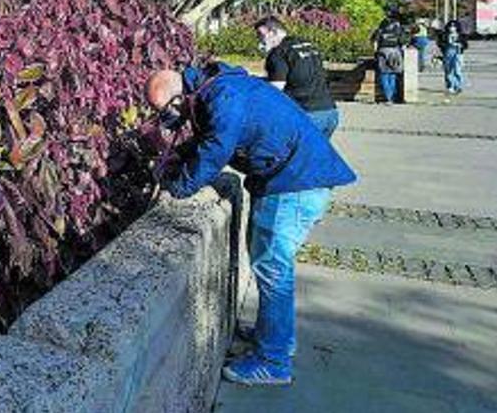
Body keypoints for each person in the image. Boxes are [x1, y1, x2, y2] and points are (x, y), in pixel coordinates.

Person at [145, 62, 357, 386]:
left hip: (295, 183)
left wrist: (179, 188)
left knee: (274, 269)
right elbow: (213, 136)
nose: (170, 120)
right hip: (290, 177)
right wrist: (183, 154)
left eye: (166, 112)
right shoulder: (214, 89)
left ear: (178, 98)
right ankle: (271, 335)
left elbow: (217, 149)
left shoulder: (224, 96)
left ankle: (273, 361)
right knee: (266, 261)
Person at [255, 16, 340, 137]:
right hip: (330, 113)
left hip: (307, 115)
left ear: (273, 32)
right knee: (318, 154)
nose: (259, 40)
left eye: (261, 35)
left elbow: (275, 90)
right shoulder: (308, 44)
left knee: (287, 153)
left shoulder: (278, 53)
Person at [371, 13, 407, 104]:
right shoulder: (398, 30)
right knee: (393, 74)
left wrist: (375, 52)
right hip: (395, 52)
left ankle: (388, 97)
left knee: (384, 74)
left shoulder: (380, 30)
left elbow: (374, 42)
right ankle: (391, 96)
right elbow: (403, 43)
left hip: (382, 52)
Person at [437, 19, 468, 95]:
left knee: (457, 70)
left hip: (458, 53)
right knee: (448, 70)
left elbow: (465, 45)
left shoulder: (461, 35)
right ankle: (450, 86)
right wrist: (445, 46)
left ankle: (458, 86)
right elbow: (440, 44)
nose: (452, 28)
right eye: (451, 26)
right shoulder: (444, 35)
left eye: (454, 26)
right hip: (448, 52)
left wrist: (460, 45)